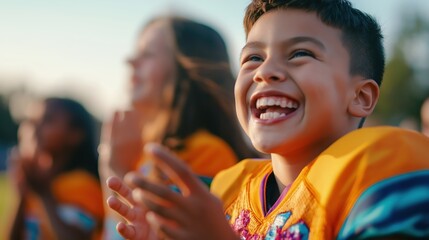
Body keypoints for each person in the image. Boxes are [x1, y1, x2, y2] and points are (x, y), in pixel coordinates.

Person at [107, 0, 429, 239]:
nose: (264, 72)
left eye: (300, 53)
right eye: (253, 58)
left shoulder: (385, 166)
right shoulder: (224, 190)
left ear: (361, 97)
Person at [99, 15, 258, 239]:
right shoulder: (143, 150)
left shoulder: (208, 151)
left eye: (147, 54)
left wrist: (115, 168)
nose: (131, 61)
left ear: (187, 67)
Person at [8, 97, 104, 240]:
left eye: (47, 120)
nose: (35, 127)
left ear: (75, 135)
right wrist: (22, 194)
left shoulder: (84, 185)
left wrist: (44, 195)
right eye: (33, 121)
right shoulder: (38, 182)